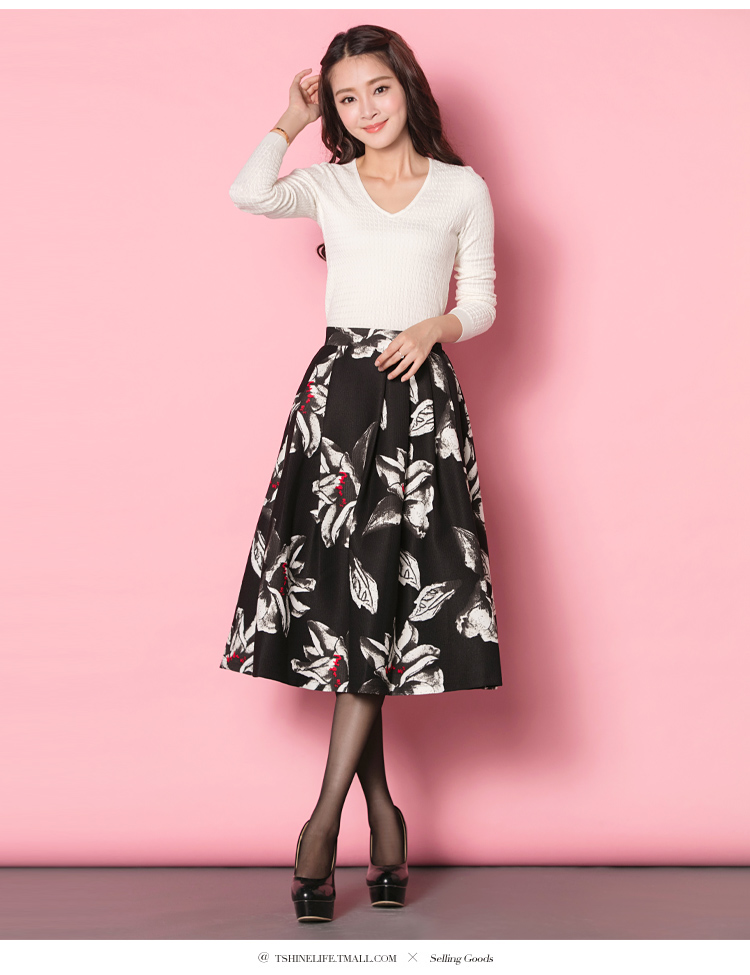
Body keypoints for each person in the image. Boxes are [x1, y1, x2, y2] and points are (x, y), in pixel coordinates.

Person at [220, 25, 503, 922]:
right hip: (338, 407)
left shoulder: (461, 189)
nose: (366, 109)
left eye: (377, 88)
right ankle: (383, 814)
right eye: (346, 98)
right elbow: (248, 192)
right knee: (354, 614)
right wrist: (289, 118)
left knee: (377, 607)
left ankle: (324, 823)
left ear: (407, 86)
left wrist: (433, 328)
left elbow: (483, 300)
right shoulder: (329, 184)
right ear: (333, 111)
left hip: (420, 411)